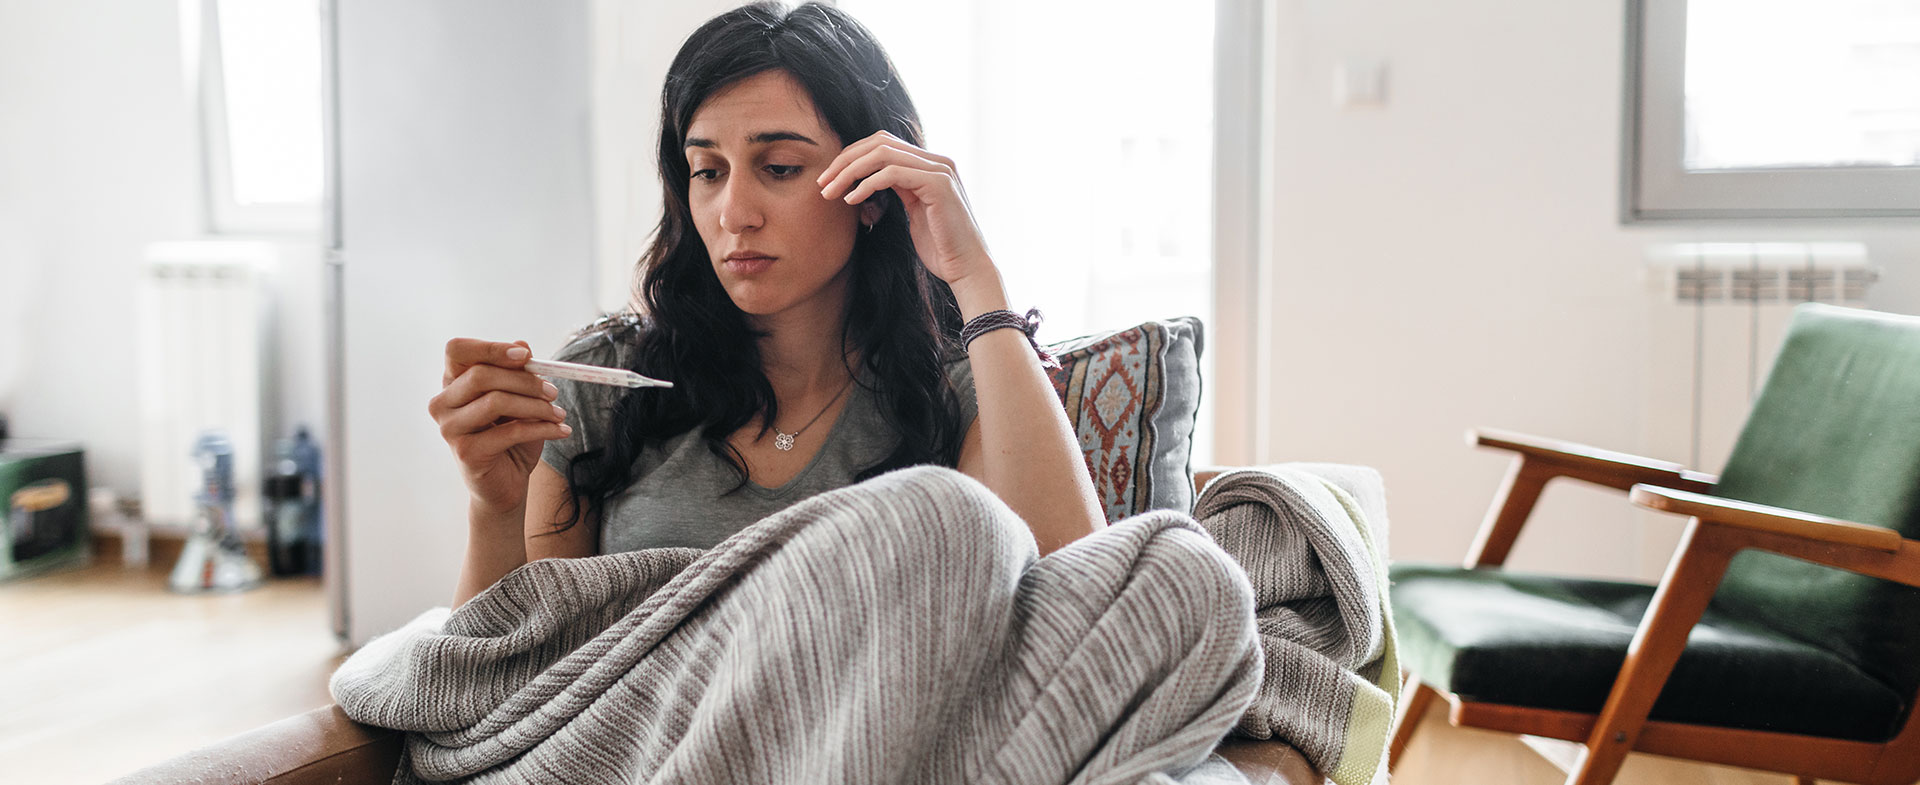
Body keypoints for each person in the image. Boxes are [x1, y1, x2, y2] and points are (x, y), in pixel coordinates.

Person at [427, 1, 1105, 609]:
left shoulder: (961, 389)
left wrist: (975, 274)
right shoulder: (601, 383)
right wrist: (496, 506)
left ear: (872, 192)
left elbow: (1079, 604)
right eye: (708, 172)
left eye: (779, 167)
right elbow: (502, 675)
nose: (734, 214)